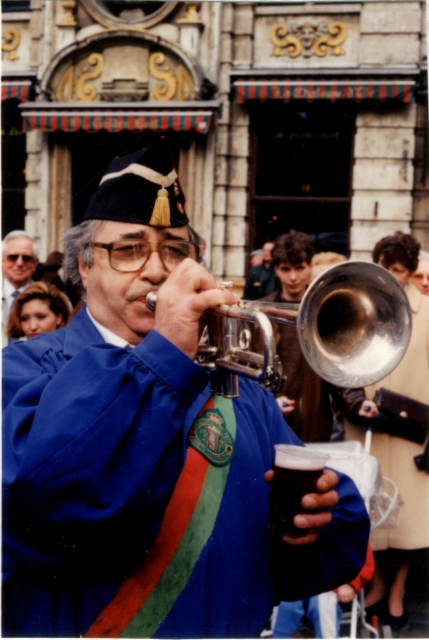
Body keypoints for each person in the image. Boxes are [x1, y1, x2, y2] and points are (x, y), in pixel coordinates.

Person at [2, 138, 370, 638]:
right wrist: (166, 358)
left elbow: (305, 557)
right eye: (128, 250)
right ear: (84, 266)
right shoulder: (26, 369)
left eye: (175, 250)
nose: (156, 269)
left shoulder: (237, 386)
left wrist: (311, 522)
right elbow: (47, 506)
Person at [335, 231, 429, 632]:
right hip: (369, 424)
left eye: (399, 270)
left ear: (410, 273)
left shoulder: (426, 310)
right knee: (372, 514)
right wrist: (355, 400)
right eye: (384, 267)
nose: (391, 276)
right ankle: (375, 585)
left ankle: (396, 592)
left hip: (412, 427)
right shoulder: (362, 302)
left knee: (407, 520)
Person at [263, 232, 334, 442]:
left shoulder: (325, 311)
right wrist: (269, 401)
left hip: (314, 421)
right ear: (276, 269)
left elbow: (339, 368)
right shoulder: (262, 310)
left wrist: (355, 400)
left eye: (299, 268)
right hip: (270, 419)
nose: (293, 277)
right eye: (285, 269)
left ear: (310, 266)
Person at [272, 545, 375, 639]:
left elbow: (363, 559)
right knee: (285, 602)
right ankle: (280, 637)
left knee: (323, 603)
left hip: (330, 587)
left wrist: (349, 584)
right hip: (295, 584)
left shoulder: (347, 530)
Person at [2, 230, 39, 346]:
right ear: (2, 261)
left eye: (26, 258)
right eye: (13, 257)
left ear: (35, 263)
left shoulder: (51, 298)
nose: (19, 263)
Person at [6, 282, 70, 341]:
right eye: (25, 319)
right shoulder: (15, 352)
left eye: (40, 317)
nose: (33, 327)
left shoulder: (74, 351)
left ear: (59, 317)